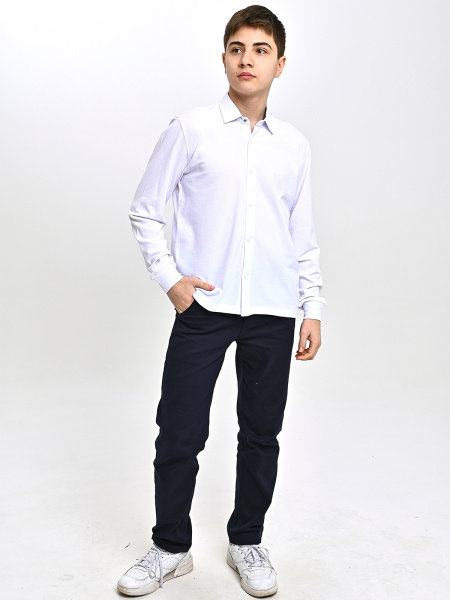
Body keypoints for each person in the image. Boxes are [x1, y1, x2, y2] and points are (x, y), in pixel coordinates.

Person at [117, 4, 326, 597]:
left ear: (279, 64)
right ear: (225, 58)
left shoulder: (294, 146)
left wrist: (312, 307)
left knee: (261, 433)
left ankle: (247, 541)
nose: (247, 60)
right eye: (237, 48)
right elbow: (145, 209)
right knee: (178, 432)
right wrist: (171, 280)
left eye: (261, 50)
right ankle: (169, 548)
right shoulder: (191, 129)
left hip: (274, 310)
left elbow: (301, 233)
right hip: (204, 309)